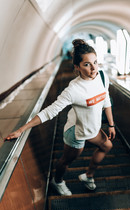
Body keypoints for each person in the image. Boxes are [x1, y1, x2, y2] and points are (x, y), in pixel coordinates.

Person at [5, 39, 116, 196]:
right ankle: (57, 181)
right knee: (67, 160)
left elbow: (106, 100)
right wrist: (21, 129)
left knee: (107, 146)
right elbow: (49, 111)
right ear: (77, 67)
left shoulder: (102, 77)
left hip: (92, 128)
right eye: (87, 64)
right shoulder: (73, 90)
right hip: (76, 131)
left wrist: (111, 125)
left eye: (95, 62)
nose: (93, 69)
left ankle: (87, 176)